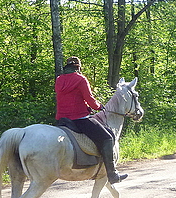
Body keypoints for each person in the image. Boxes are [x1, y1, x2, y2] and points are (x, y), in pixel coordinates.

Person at [55, 56, 128, 184]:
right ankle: (112, 174)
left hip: (62, 119)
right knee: (107, 137)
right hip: (79, 118)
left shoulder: (59, 79)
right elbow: (89, 98)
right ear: (78, 67)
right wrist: (99, 106)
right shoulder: (81, 79)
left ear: (67, 67)